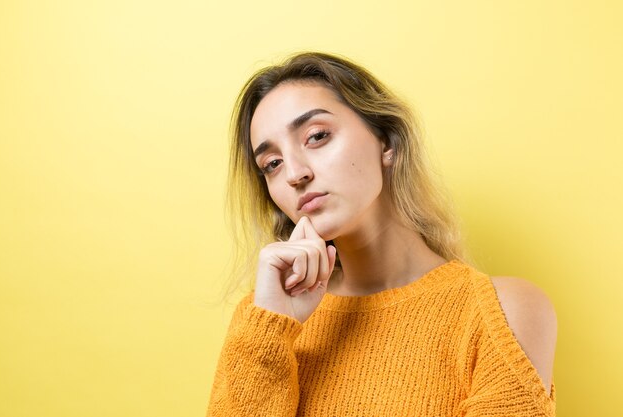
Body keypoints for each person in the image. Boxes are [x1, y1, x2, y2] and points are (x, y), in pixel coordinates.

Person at [207, 52, 557, 416]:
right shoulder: (264, 316)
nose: (294, 173)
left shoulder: (500, 311)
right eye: (272, 164)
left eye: (317, 136)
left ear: (386, 142)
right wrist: (271, 331)